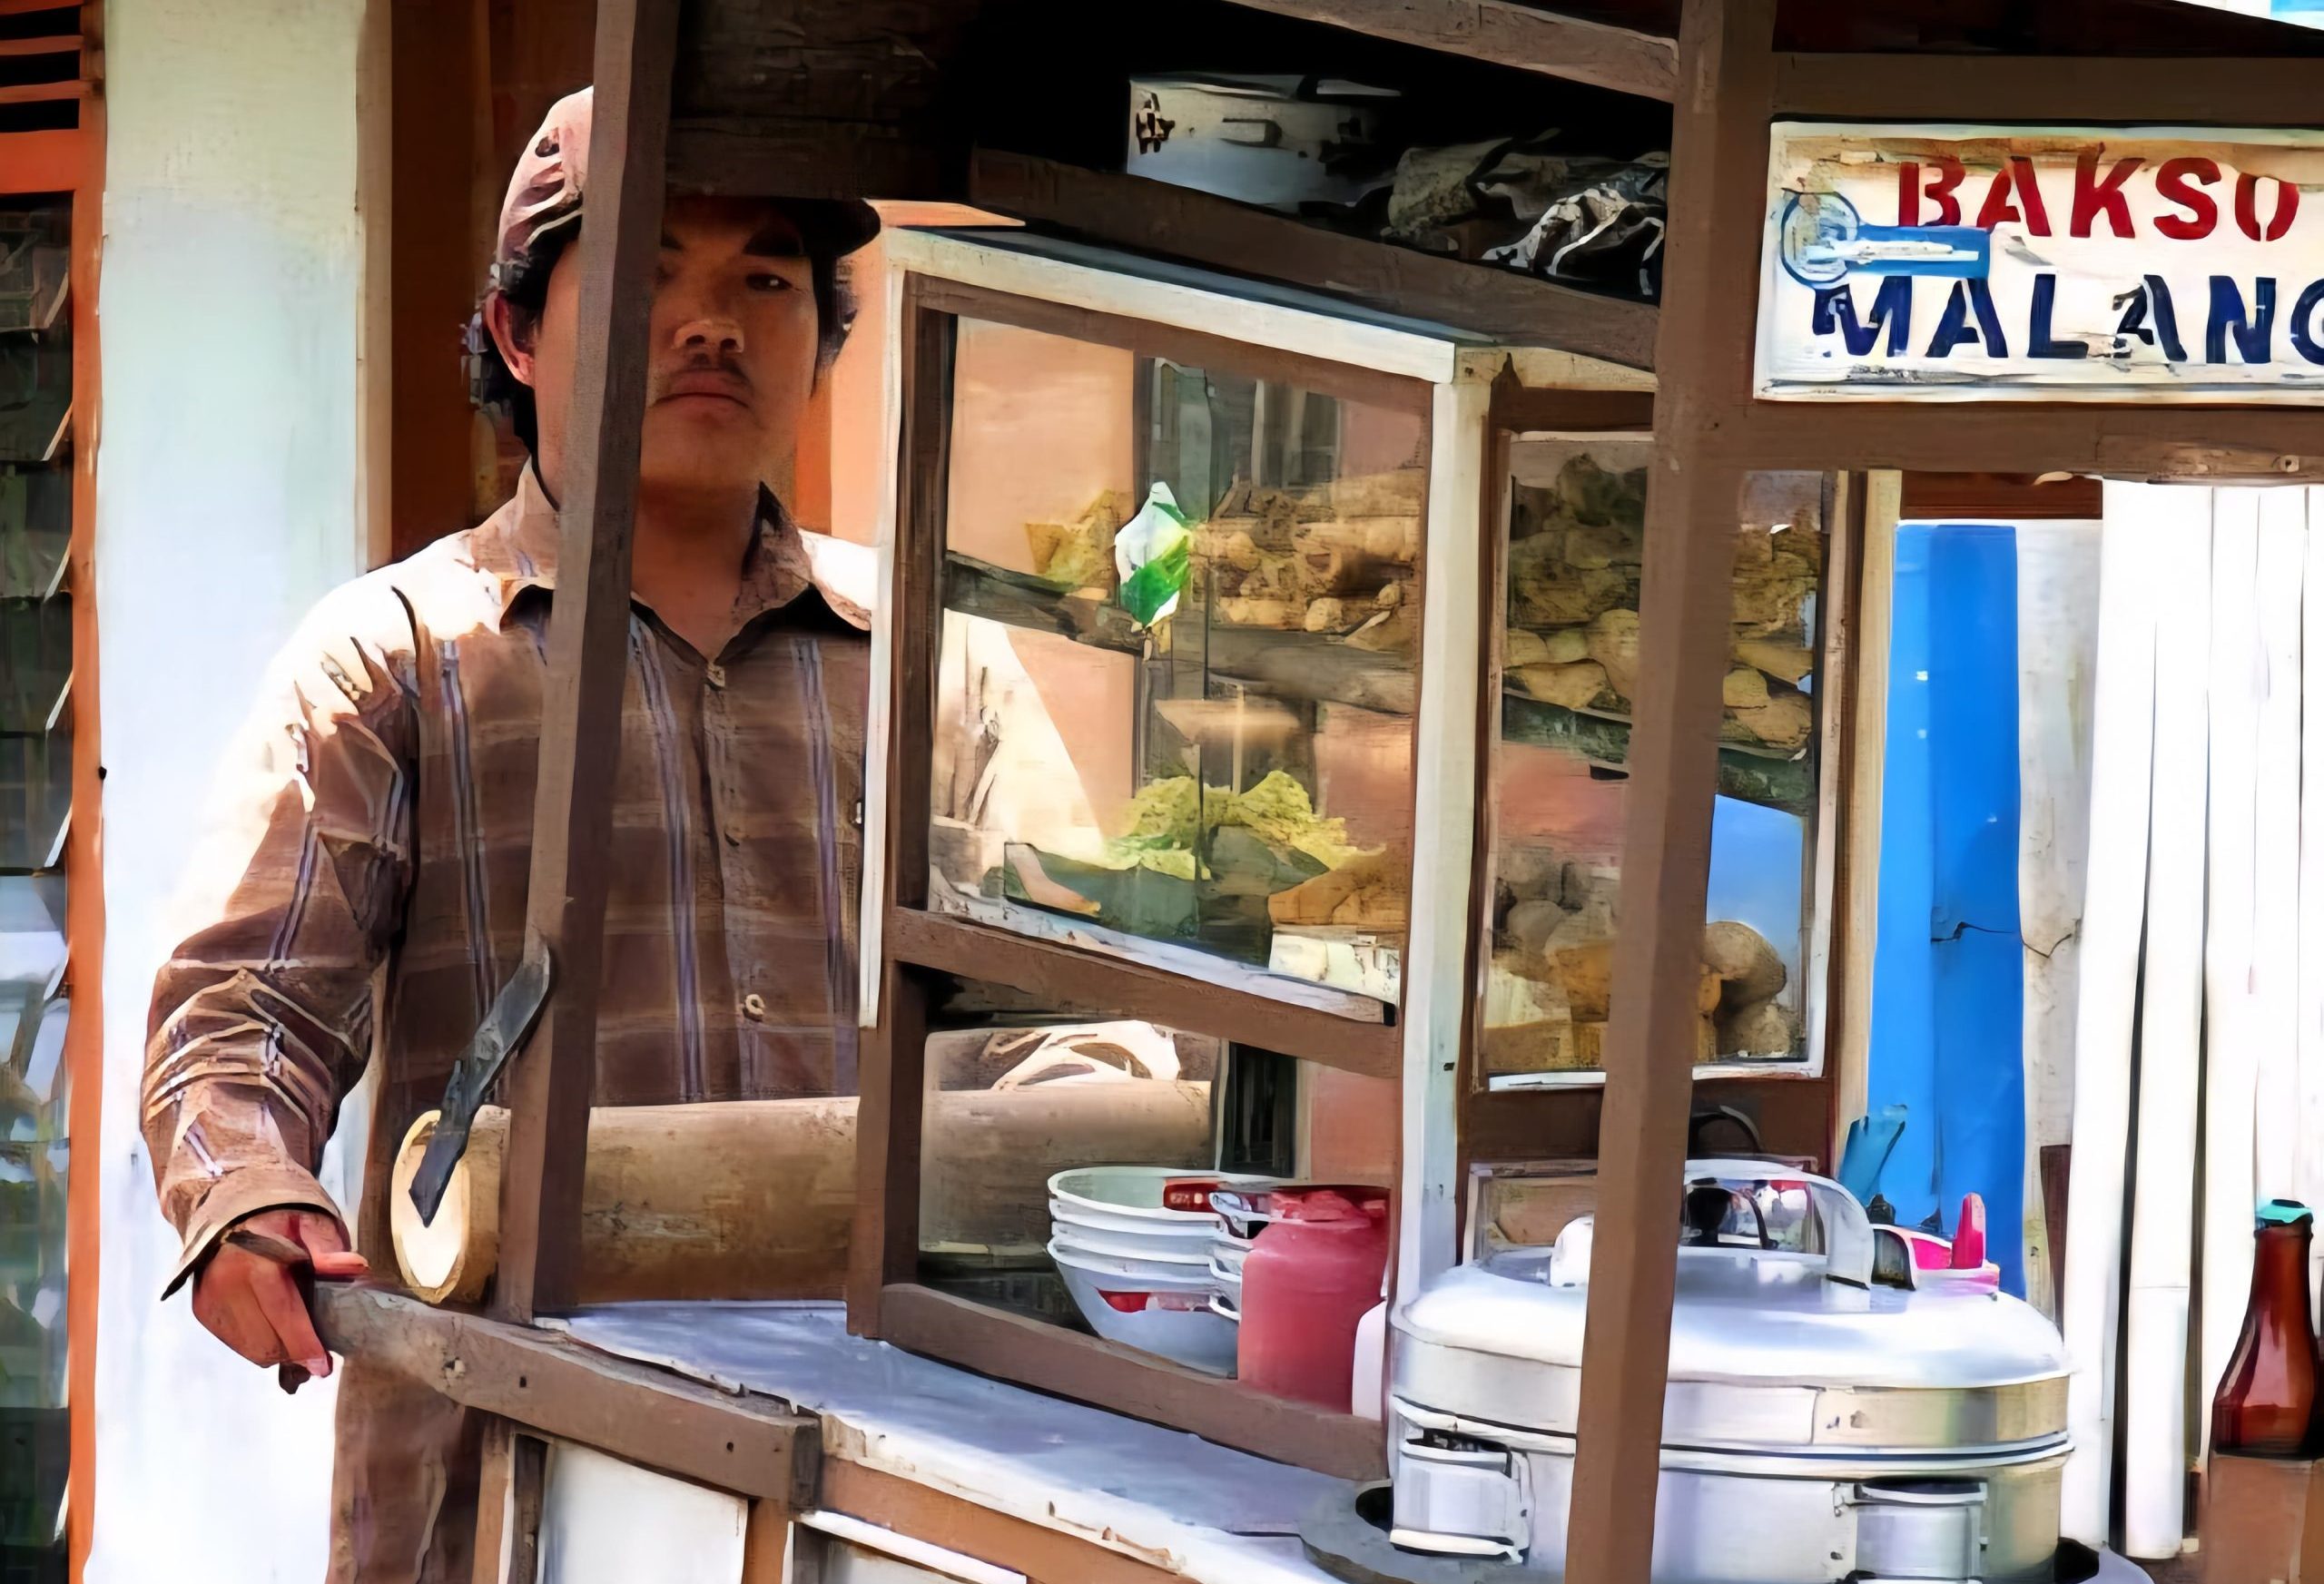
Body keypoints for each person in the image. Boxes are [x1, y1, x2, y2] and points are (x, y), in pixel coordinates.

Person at [140, 87, 879, 1581]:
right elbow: (236, 1015)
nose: (714, 323)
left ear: (825, 337)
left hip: (864, 1494)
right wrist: (244, 1191)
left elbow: (1062, 1021)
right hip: (503, 1498)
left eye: (767, 276)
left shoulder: (925, 660)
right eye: (649, 271)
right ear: (520, 336)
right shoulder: (397, 656)